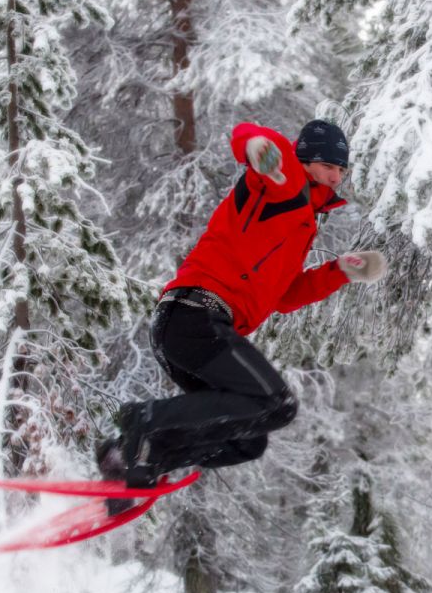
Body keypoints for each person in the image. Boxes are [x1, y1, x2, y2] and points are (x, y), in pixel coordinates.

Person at [97, 119, 385, 511]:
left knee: (248, 439)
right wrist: (257, 150)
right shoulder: (283, 179)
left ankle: (135, 457)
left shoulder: (304, 222)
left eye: (342, 170)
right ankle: (143, 420)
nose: (337, 177)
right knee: (277, 403)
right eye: (329, 166)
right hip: (195, 314)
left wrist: (340, 272)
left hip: (192, 328)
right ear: (306, 159)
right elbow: (248, 133)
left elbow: (283, 296)